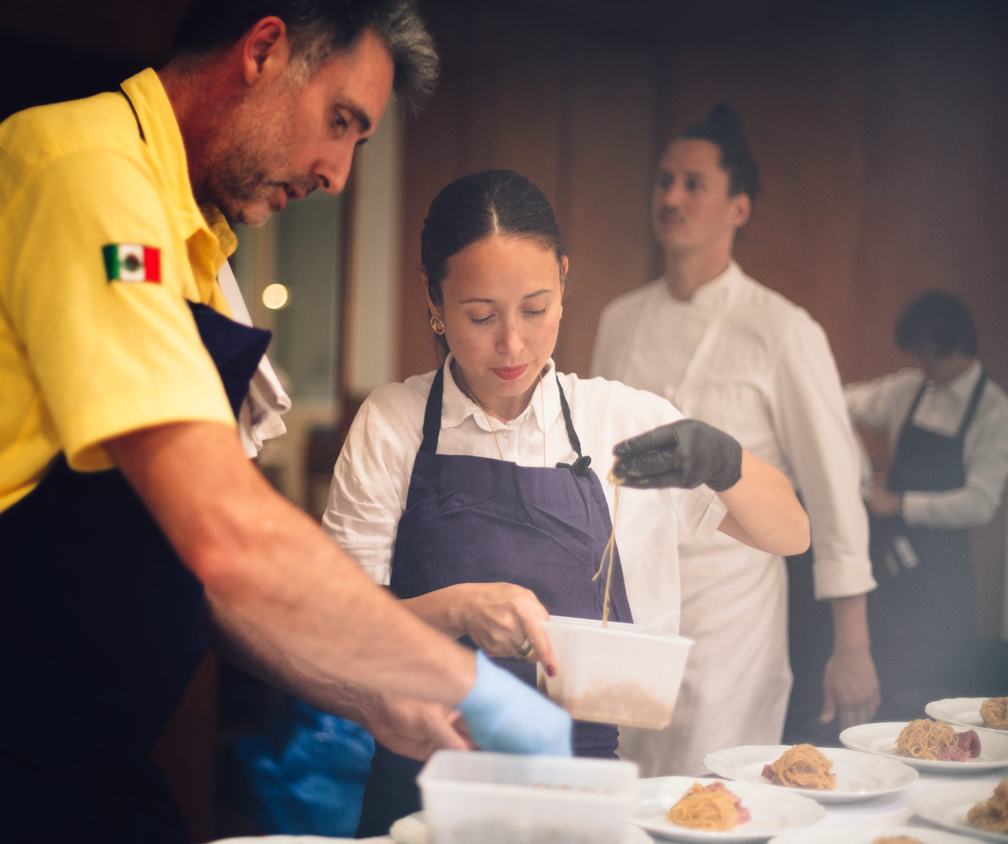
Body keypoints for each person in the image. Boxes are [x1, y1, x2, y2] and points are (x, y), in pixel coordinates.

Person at [0, 5, 572, 842]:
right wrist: (463, 679)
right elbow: (226, 532)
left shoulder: (190, 247)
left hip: (83, 771)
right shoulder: (83, 175)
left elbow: (201, 580)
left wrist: (374, 699)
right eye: (340, 121)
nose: (337, 174)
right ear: (262, 51)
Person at [322, 169, 810, 834]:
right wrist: (458, 607)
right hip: (424, 796)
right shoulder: (393, 422)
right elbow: (340, 632)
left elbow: (789, 533)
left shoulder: (619, 419)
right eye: (480, 315)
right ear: (433, 299)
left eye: (535, 307)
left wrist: (723, 459)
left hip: (581, 798)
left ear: (564, 282)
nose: (512, 344)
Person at [590, 104, 880, 776]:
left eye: (693, 184)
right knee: (622, 788)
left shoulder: (782, 330)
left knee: (711, 795)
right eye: (664, 181)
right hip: (631, 602)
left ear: (738, 209)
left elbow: (836, 494)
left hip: (732, 616)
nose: (671, 197)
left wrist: (852, 644)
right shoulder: (619, 319)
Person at [846, 290, 1008, 712]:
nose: (920, 363)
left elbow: (979, 503)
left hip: (942, 582)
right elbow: (836, 404)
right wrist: (855, 473)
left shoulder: (996, 413)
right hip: (888, 569)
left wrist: (902, 504)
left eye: (927, 353)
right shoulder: (908, 389)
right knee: (881, 678)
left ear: (953, 343)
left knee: (933, 695)